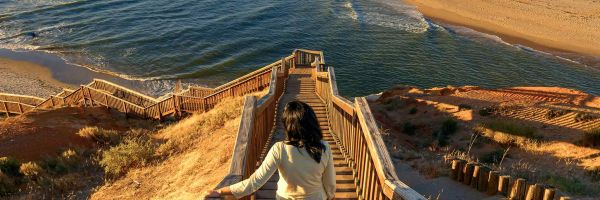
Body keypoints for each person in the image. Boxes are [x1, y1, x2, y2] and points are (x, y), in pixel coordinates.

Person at [204, 101, 336, 200]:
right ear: (312, 122)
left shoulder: (280, 149)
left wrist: (221, 192)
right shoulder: (324, 147)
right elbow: (330, 186)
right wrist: (329, 196)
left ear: (287, 126)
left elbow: (254, 183)